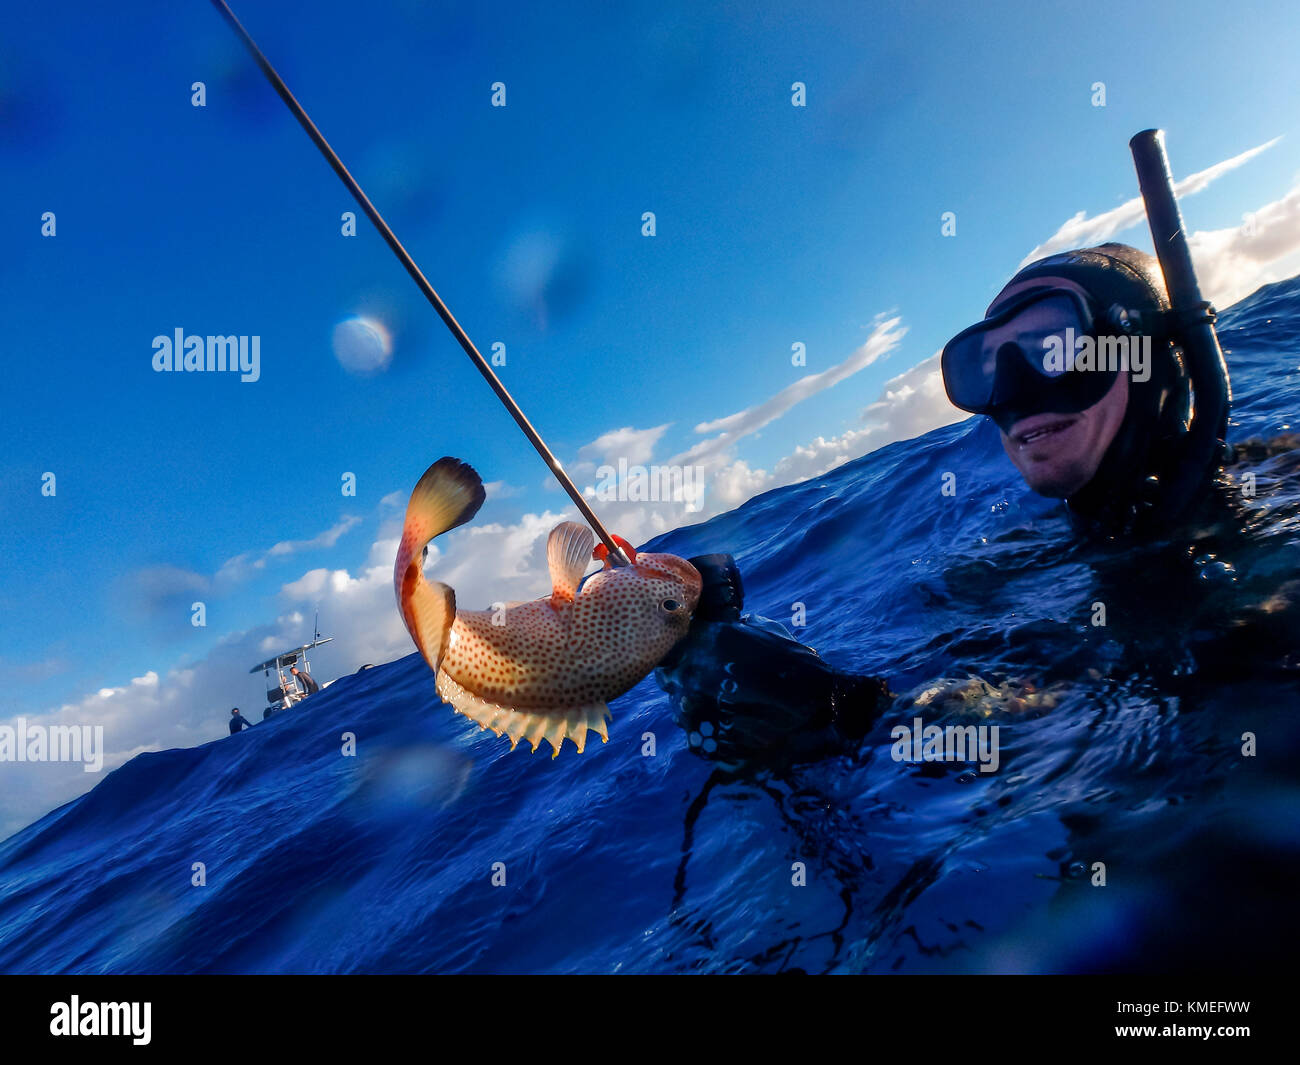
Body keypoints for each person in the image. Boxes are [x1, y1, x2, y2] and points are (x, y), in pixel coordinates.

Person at [939, 242, 1230, 539]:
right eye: (989, 368)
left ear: (1148, 354)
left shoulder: (1271, 493)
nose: (1014, 390)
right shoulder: (1004, 557)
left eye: (1055, 346)